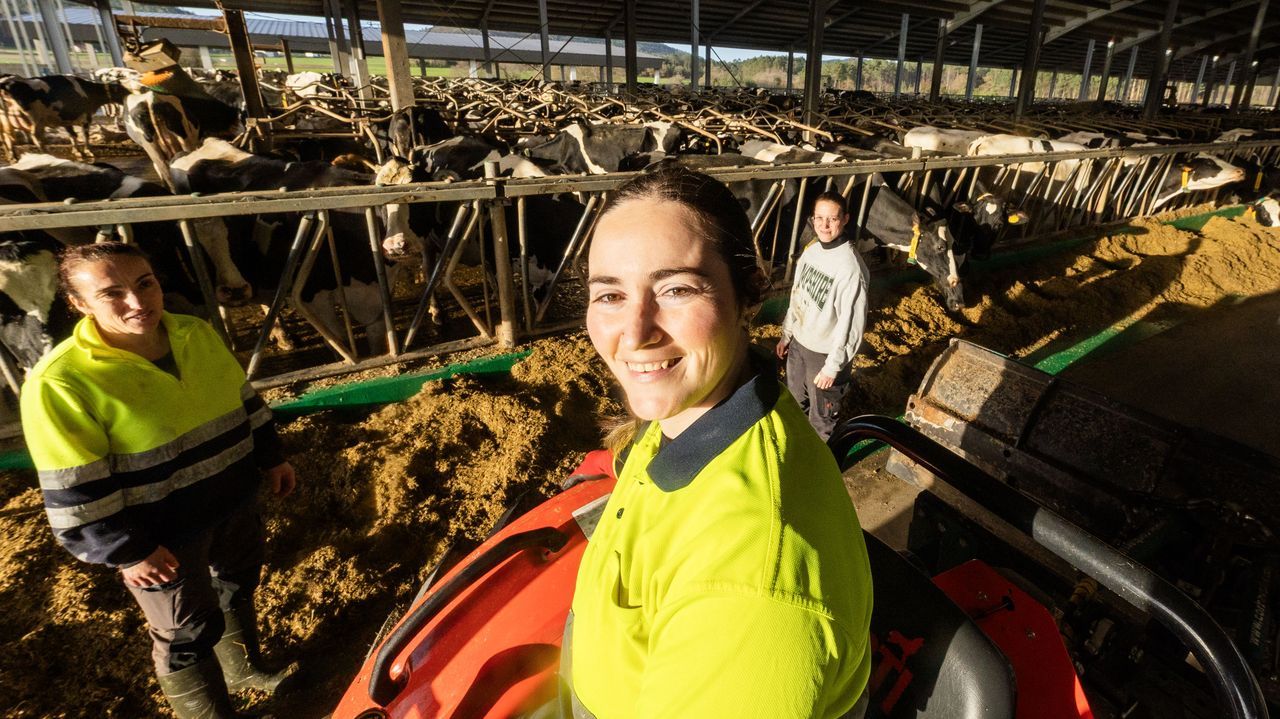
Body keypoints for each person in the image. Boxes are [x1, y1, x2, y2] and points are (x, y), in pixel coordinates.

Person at [568, 165, 873, 718]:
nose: (634, 333)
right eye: (609, 295)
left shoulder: (751, 589)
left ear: (748, 292)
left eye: (677, 290)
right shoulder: (681, 417)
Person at [20, 242, 297, 719]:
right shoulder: (59, 382)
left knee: (236, 583)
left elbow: (242, 398)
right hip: (160, 533)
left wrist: (271, 457)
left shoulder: (195, 333)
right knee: (184, 630)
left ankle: (245, 671)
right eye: (112, 293)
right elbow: (72, 485)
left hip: (232, 496)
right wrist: (126, 549)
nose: (137, 301)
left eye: (144, 283)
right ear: (79, 304)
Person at [776, 191, 870, 440]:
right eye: (819, 218)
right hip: (799, 344)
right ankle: (796, 448)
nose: (824, 225)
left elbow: (851, 325)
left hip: (825, 355)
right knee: (794, 403)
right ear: (812, 219)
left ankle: (820, 461)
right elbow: (798, 295)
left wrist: (832, 367)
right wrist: (787, 334)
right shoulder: (811, 251)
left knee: (822, 420)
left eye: (832, 219)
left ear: (845, 219)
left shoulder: (850, 268)